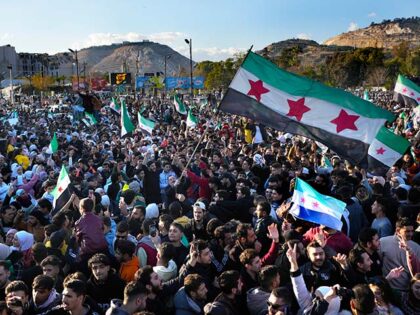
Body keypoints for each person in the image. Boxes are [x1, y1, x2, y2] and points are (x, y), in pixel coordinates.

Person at [379, 217, 420, 291]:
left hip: (408, 291)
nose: (411, 234)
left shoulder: (416, 247)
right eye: (407, 231)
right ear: (398, 230)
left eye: (412, 231)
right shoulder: (383, 242)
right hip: (388, 290)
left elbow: (417, 272)